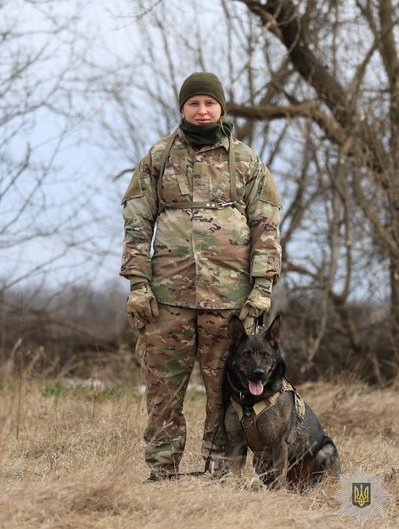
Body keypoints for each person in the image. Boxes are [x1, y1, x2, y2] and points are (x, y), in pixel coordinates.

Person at [120, 72, 282, 481]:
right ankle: (161, 471)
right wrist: (138, 284)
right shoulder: (159, 157)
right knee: (162, 390)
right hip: (166, 300)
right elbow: (137, 221)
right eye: (194, 103)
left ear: (221, 108)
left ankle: (219, 472)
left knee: (225, 392)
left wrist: (262, 289)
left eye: (210, 103)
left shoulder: (245, 160)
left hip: (229, 302)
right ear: (182, 108)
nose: (203, 110)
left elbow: (266, 226)